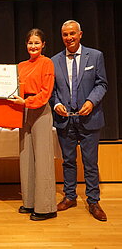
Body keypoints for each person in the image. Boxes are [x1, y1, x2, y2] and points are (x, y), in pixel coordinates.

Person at [50, 20, 108, 221]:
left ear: (80, 34)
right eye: (65, 34)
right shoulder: (54, 60)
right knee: (68, 161)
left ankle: (93, 200)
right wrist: (56, 104)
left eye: (72, 33)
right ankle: (70, 196)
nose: (69, 38)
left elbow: (102, 84)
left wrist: (91, 102)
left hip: (90, 118)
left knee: (90, 163)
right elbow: (52, 91)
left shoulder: (96, 56)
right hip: (65, 120)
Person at [10, 28, 57, 221]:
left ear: (43, 45)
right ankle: (29, 202)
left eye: (37, 43)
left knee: (43, 158)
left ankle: (46, 207)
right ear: (26, 45)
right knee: (26, 156)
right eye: (30, 43)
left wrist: (26, 103)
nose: (33, 46)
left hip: (40, 111)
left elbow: (46, 93)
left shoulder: (47, 63)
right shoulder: (20, 65)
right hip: (23, 111)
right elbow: (13, 90)